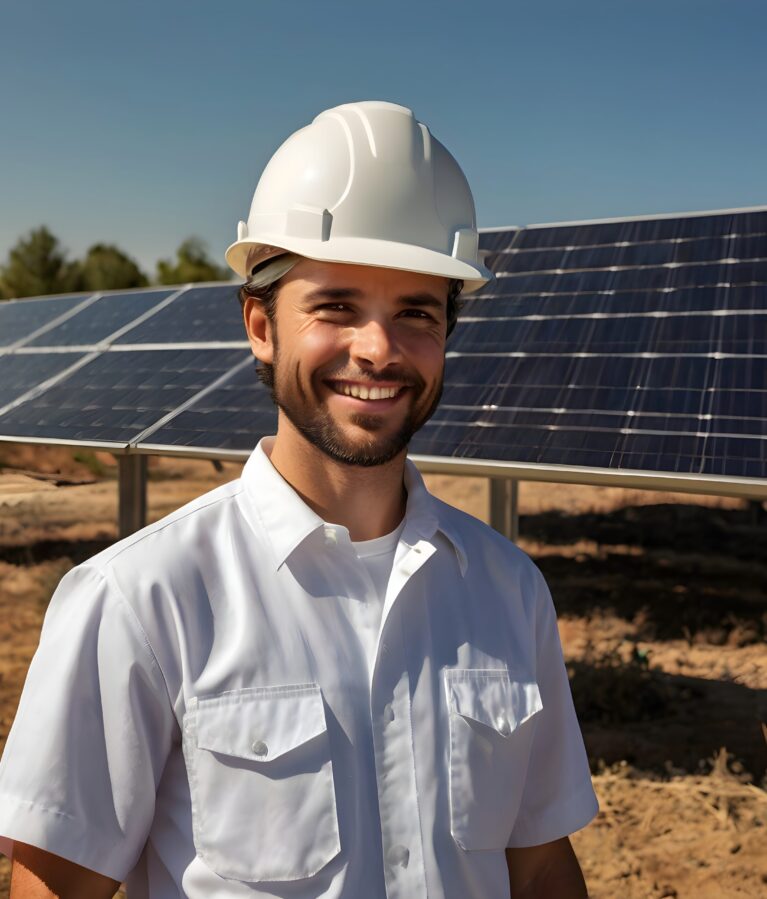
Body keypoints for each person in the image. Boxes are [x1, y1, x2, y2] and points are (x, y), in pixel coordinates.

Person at [0, 101, 598, 898]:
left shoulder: (507, 589)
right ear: (260, 323)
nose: (378, 349)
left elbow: (542, 866)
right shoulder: (139, 600)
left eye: (415, 312)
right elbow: (56, 887)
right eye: (336, 306)